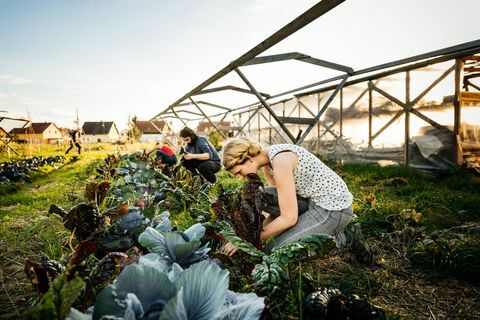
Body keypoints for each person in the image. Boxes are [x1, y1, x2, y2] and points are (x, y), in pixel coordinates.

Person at [219, 137, 372, 263]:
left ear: (248, 159)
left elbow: (288, 218)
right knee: (261, 194)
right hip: (310, 201)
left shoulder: (281, 161)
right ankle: (317, 229)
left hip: (333, 210)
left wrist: (245, 238)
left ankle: (344, 238)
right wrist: (250, 230)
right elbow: (278, 195)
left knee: (275, 251)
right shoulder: (268, 157)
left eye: (239, 172)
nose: (241, 177)